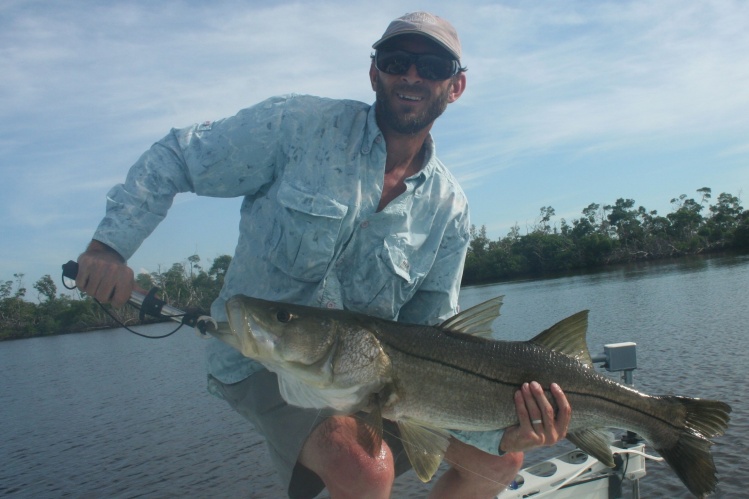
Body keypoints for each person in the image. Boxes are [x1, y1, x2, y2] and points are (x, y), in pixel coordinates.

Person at [76, 11, 571, 499]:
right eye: (398, 61)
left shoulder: (449, 209)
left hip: (369, 379)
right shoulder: (297, 127)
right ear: (374, 72)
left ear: (455, 86)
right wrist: (109, 247)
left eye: (434, 67)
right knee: (362, 468)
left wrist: (507, 430)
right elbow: (179, 156)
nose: (412, 76)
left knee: (499, 461)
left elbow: (434, 338)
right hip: (258, 360)